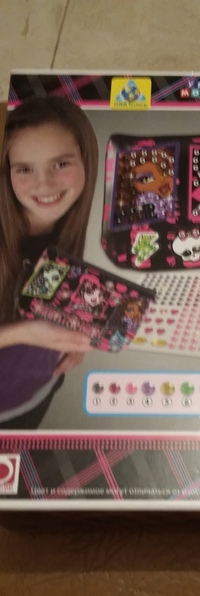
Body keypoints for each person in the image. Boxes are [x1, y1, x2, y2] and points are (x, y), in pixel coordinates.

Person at [0, 96, 99, 428]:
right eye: (25, 169)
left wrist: (72, 338)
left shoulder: (69, 229)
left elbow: (47, 298)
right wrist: (26, 333)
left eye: (61, 164)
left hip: (36, 393)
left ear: (86, 160)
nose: (44, 184)